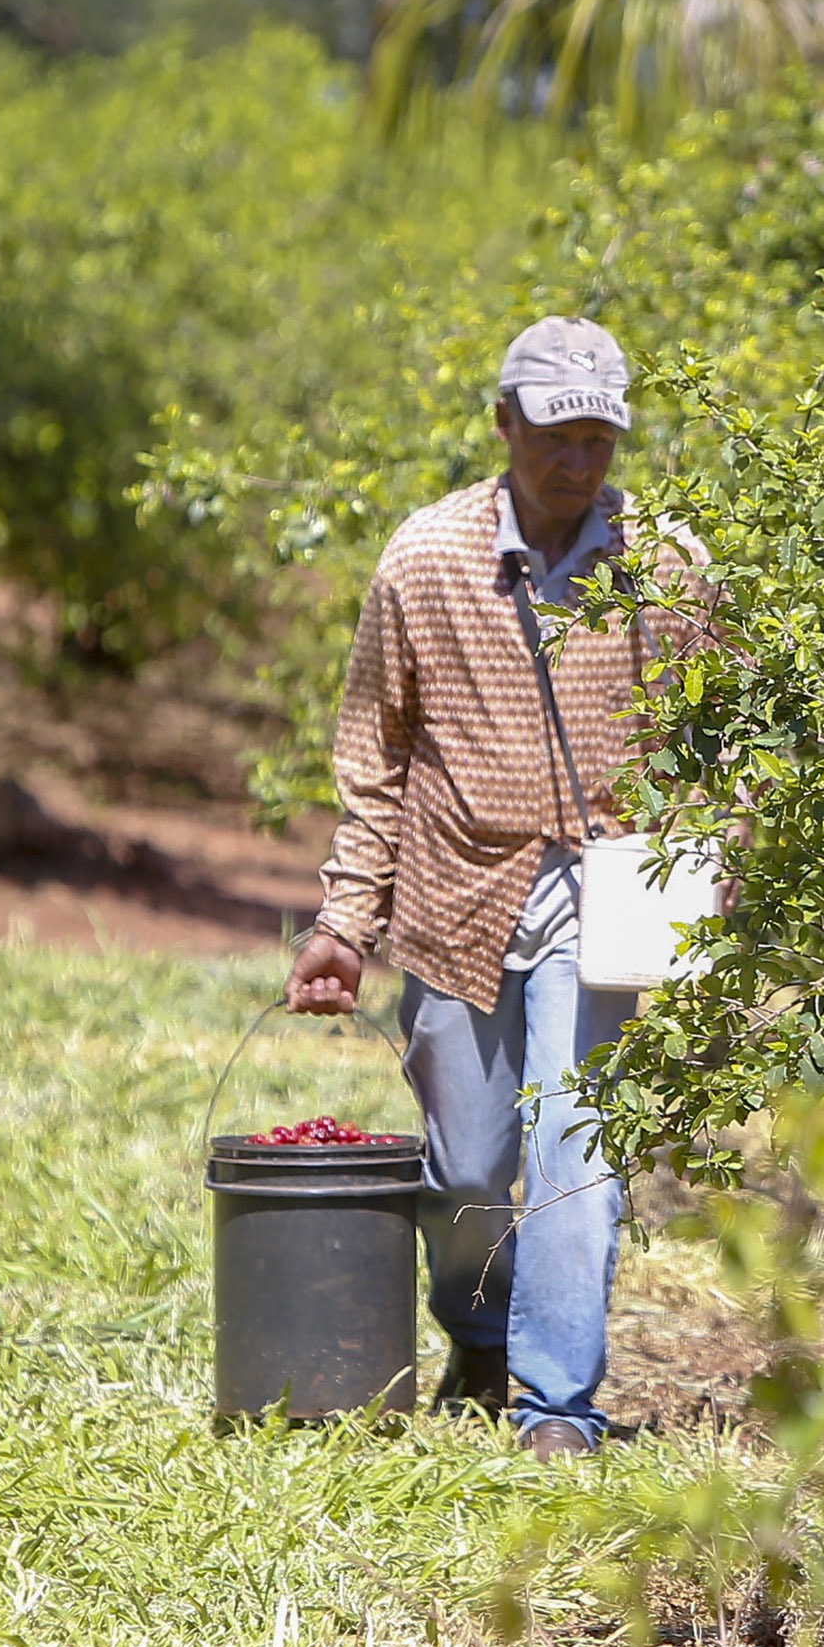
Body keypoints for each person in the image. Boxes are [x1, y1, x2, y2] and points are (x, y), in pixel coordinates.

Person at [284, 315, 706, 1458]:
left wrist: (710, 884)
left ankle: (556, 1407)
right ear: (503, 423)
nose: (577, 462)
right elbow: (375, 753)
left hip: (607, 899)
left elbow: (721, 743)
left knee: (579, 1148)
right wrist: (344, 921)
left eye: (599, 439)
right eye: (554, 435)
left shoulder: (664, 567)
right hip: (454, 894)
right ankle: (477, 1324)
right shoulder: (425, 558)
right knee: (465, 1163)